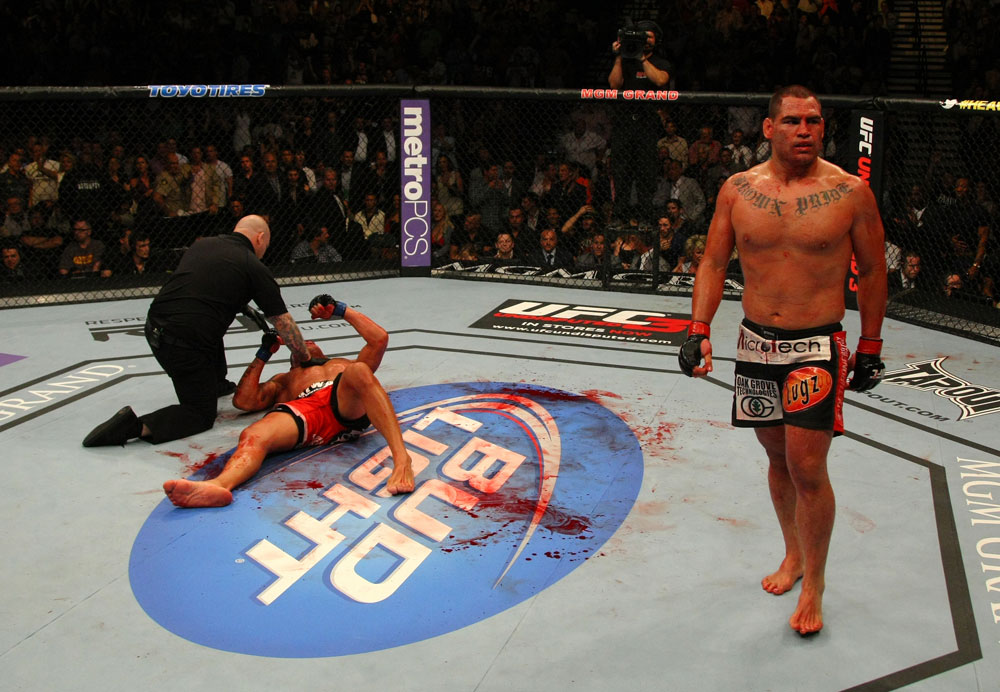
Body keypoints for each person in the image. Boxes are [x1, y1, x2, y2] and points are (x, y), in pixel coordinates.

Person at [678, 85, 887, 636]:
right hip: (754, 342)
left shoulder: (849, 192)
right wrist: (697, 329)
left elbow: (874, 271)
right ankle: (793, 555)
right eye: (793, 121)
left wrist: (870, 345)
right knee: (775, 455)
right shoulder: (737, 190)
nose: (805, 130)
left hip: (816, 345)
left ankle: (814, 581)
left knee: (807, 466)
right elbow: (714, 260)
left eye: (814, 121)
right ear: (768, 128)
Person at [82, 215, 312, 448]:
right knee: (200, 414)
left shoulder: (203, 244)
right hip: (182, 346)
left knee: (209, 324)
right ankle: (135, 426)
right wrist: (305, 358)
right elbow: (283, 323)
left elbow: (202, 287)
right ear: (260, 238)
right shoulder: (252, 265)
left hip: (155, 328)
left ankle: (216, 383)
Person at [162, 297, 415, 507]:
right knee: (254, 434)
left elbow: (379, 338)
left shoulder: (343, 365)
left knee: (360, 371)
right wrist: (264, 352)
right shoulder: (286, 380)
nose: (304, 344)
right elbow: (244, 400)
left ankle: (402, 459)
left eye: (308, 342)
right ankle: (219, 485)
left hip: (345, 402)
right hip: (307, 413)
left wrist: (340, 310)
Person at [608, 20, 670, 217]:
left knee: (645, 171)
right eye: (643, 36)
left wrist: (642, 58)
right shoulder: (625, 61)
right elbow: (614, 85)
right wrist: (619, 57)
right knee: (621, 171)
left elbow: (661, 80)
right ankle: (619, 215)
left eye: (649, 36)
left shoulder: (660, 62)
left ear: (655, 41)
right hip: (624, 122)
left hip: (647, 122)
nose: (646, 40)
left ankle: (644, 215)